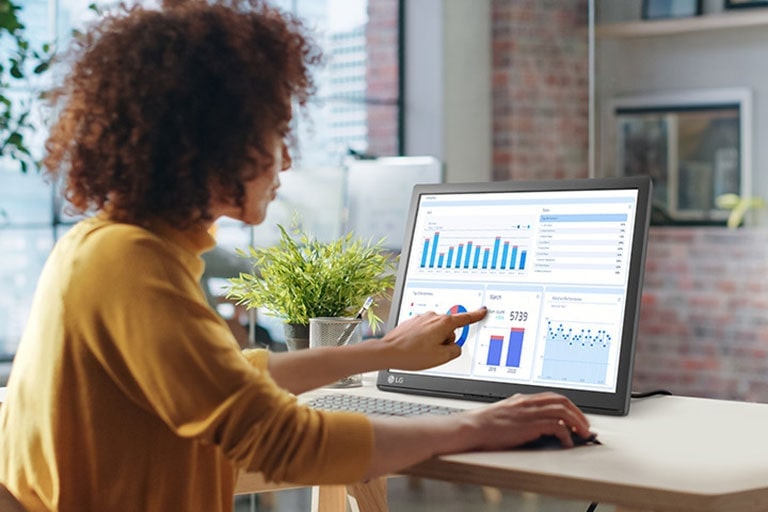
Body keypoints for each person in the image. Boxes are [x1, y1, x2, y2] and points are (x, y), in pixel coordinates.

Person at [0, 1, 593, 511]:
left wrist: (384, 350)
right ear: (213, 144)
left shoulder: (114, 247)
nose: (285, 161)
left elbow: (227, 385)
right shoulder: (128, 263)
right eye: (275, 134)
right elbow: (279, 440)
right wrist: (477, 427)